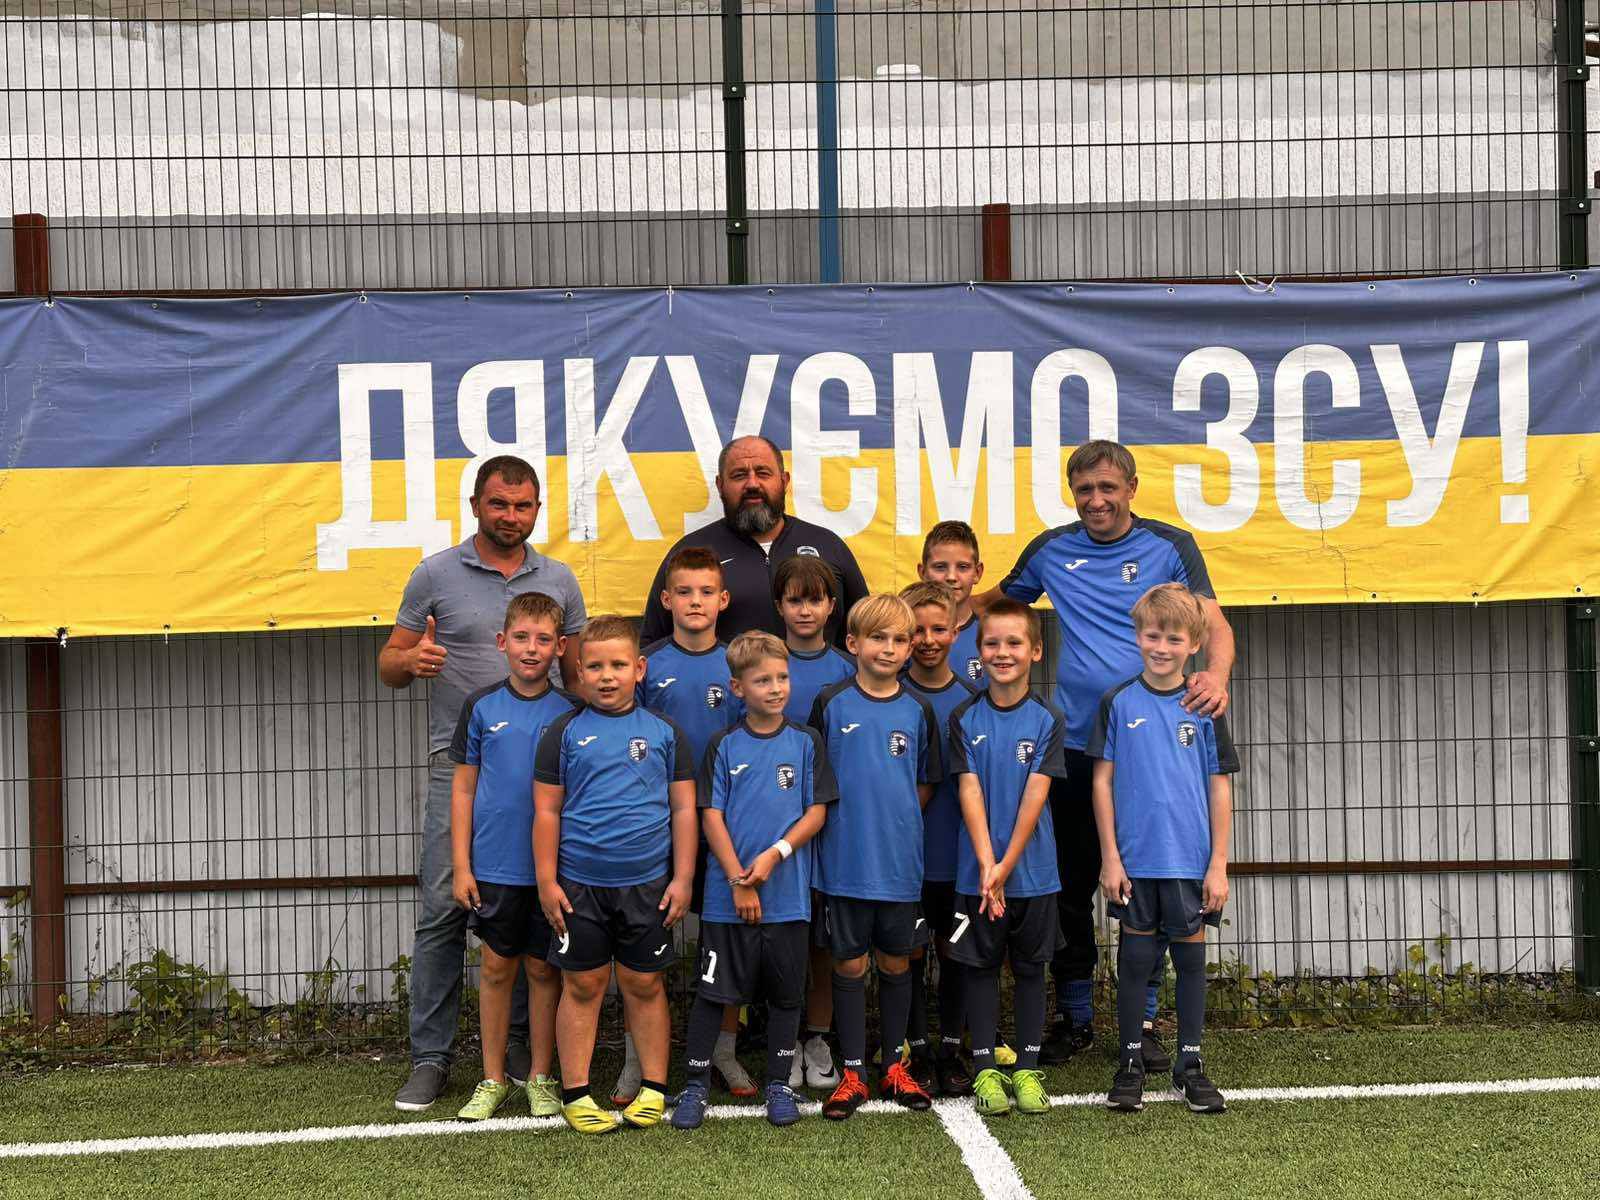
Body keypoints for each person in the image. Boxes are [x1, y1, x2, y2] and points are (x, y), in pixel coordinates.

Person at [974, 439, 1235, 1066]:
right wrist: (931, 599)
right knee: (1068, 888)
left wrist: (1217, 676)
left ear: (1132, 489)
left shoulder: (1170, 546)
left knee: (1148, 881)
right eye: (1084, 490)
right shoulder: (1049, 550)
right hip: (1073, 749)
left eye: (1107, 488)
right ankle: (1076, 1017)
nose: (1096, 501)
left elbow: (1216, 625)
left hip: (1147, 753)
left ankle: (1142, 1023)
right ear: (1072, 493)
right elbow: (994, 606)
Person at [381, 455, 588, 1113]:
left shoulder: (559, 579)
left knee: (536, 908)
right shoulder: (435, 573)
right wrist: (409, 660)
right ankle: (431, 1058)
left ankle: (526, 1058)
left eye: (523, 506)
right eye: (499, 504)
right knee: (445, 908)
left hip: (549, 772)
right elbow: (389, 661)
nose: (511, 516)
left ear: (537, 510)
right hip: (463, 768)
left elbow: (578, 678)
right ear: (475, 505)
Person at [532, 616, 698, 1134]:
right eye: (596, 667)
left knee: (643, 983)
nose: (607, 676)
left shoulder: (665, 733)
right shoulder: (562, 733)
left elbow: (684, 811)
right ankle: (576, 1093)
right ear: (579, 672)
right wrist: (546, 881)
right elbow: (546, 812)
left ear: (639, 669)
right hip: (578, 886)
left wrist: (683, 878)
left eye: (618, 665)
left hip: (647, 886)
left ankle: (654, 1088)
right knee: (582, 984)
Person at [673, 633, 836, 1131]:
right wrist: (738, 880)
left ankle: (779, 1084)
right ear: (737, 688)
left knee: (786, 996)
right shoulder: (724, 744)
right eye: (763, 680)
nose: (776, 687)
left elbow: (816, 813)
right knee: (714, 993)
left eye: (782, 677)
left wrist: (774, 854)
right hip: (728, 899)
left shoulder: (806, 741)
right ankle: (695, 1085)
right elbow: (711, 815)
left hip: (787, 899)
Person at [1088, 584, 1237, 1115]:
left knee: (1190, 962)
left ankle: (1189, 1066)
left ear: (1194, 644)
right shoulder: (1118, 703)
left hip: (1189, 863)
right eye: (1153, 635)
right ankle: (1129, 1062)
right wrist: (1110, 857)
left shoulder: (1205, 706)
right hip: (1135, 863)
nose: (1162, 647)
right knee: (1135, 960)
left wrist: (1218, 864)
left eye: (1174, 639)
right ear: (1138, 637)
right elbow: (1102, 782)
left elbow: (1220, 787)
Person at [808, 594, 943, 1118]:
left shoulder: (918, 709)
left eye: (899, 640)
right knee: (848, 962)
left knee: (895, 960)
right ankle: (853, 1073)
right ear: (853, 643)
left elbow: (924, 784)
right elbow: (816, 780)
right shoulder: (830, 703)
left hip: (899, 864)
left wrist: (896, 820)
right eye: (877, 638)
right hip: (844, 863)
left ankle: (893, 1066)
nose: (888, 648)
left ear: (909, 649)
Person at [447, 594, 579, 1121]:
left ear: (560, 647)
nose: (531, 648)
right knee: (497, 968)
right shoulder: (480, 707)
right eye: (521, 637)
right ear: (502, 642)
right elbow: (463, 790)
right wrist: (462, 865)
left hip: (552, 872)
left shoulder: (571, 711)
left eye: (543, 639)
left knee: (544, 970)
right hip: (494, 867)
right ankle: (492, 1078)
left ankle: (541, 1077)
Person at [636, 546, 752, 1103]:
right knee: (644, 939)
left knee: (723, 940)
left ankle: (724, 1050)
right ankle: (638, 1058)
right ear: (666, 599)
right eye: (684, 592)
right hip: (656, 824)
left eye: (707, 592)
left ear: (723, 600)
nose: (695, 601)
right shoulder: (646, 664)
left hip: (724, 826)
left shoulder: (738, 664)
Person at [946, 599, 1069, 1118]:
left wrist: (1005, 865)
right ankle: (985, 1071)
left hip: (1032, 874)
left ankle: (1027, 1069)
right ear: (979, 651)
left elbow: (1035, 796)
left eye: (1014, 642)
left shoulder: (1048, 719)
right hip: (976, 874)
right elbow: (969, 791)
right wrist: (985, 864)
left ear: (1035, 651)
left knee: (1031, 970)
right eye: (992, 643)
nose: (1003, 652)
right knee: (978, 968)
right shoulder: (963, 717)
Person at [638, 435, 869, 647]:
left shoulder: (828, 546)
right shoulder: (690, 554)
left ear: (784, 481)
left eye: (763, 473)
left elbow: (865, 632)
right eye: (739, 475)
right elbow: (653, 645)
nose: (752, 484)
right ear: (720, 485)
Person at [772, 553, 854, 1091]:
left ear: (831, 607)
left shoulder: (848, 669)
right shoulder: (763, 661)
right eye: (795, 600)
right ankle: (778, 1035)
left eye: (815, 600)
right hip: (772, 824)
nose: (805, 610)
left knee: (823, 937)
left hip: (831, 823)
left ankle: (818, 1037)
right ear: (779, 605)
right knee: (780, 936)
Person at [898, 581, 978, 1098]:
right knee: (906, 954)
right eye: (916, 631)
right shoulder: (888, 693)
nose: (928, 640)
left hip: (958, 856)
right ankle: (918, 1049)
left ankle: (951, 1049)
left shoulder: (972, 701)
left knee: (954, 953)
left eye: (938, 629)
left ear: (955, 632)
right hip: (903, 859)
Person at [918, 521, 986, 687]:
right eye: (940, 567)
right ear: (922, 572)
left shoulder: (991, 636)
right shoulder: (904, 635)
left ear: (977, 572)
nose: (951, 577)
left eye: (962, 567)